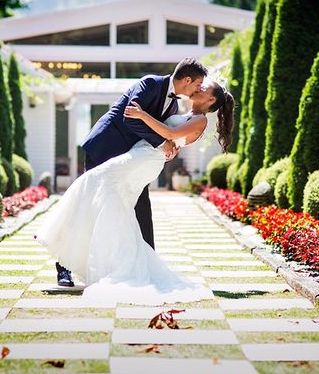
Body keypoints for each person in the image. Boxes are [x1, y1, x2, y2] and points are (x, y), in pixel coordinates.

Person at [35, 80, 235, 305]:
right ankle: (108, 262)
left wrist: (141, 115)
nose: (199, 88)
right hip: (139, 153)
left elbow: (169, 132)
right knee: (113, 203)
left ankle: (107, 263)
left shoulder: (199, 120)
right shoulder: (181, 109)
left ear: (211, 101)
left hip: (146, 159)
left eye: (204, 88)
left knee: (96, 181)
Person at [54, 58, 208, 287]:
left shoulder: (174, 106)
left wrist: (171, 145)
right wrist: (161, 142)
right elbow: (130, 116)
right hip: (105, 148)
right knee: (90, 206)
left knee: (142, 207)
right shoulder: (150, 84)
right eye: (198, 84)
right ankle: (64, 267)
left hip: (131, 162)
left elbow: (163, 131)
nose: (199, 89)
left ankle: (148, 264)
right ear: (187, 79)